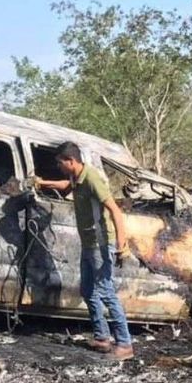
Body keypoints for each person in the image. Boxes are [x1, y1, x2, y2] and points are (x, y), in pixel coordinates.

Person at [36, 141, 134, 360]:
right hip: (88, 245)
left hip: (100, 245)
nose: (59, 166)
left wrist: (121, 245)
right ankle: (102, 337)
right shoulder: (76, 177)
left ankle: (125, 344)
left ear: (71, 161)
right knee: (88, 291)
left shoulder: (91, 179)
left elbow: (115, 211)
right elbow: (66, 186)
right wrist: (42, 183)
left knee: (106, 292)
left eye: (61, 163)